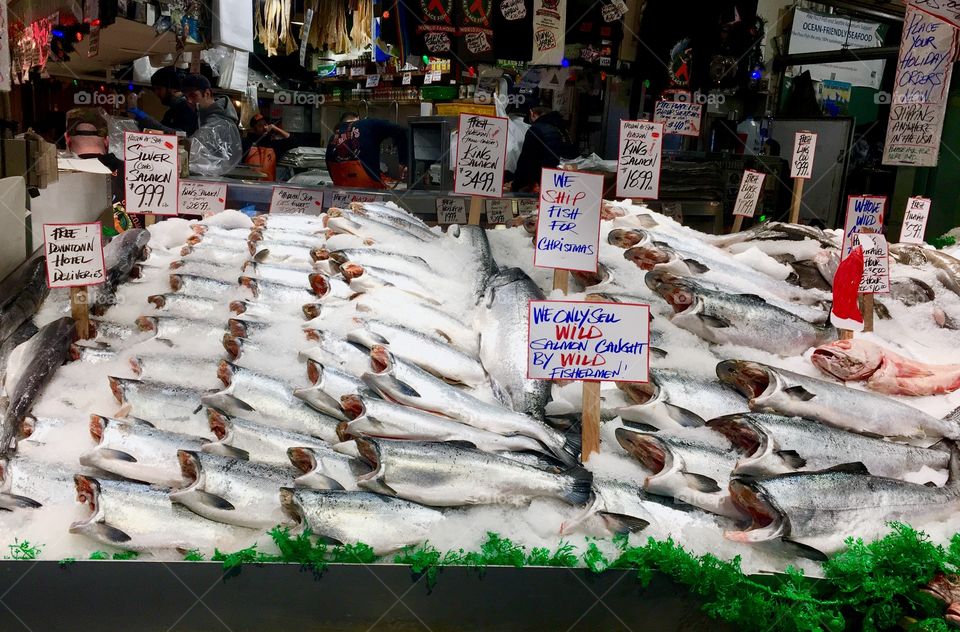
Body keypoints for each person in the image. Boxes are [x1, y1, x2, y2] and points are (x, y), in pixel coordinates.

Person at [181, 74, 243, 177]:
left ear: (207, 93)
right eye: (186, 97)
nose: (189, 101)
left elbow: (195, 146)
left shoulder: (219, 122)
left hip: (215, 183)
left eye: (193, 95)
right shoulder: (202, 115)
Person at [325, 113, 408, 189]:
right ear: (358, 119)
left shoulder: (333, 137)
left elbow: (329, 167)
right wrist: (403, 162)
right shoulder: (368, 124)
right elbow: (399, 130)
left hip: (341, 194)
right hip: (368, 193)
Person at [509, 106, 579, 192]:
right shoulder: (563, 129)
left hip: (545, 185)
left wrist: (516, 185)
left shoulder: (535, 130)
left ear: (532, 113)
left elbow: (526, 162)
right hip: (567, 184)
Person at [127, 66, 199, 135]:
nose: (156, 93)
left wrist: (141, 115)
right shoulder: (171, 112)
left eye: (159, 88)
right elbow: (157, 132)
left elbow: (180, 134)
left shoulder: (187, 108)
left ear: (171, 88)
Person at [243, 113, 295, 180]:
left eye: (265, 124)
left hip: (269, 186)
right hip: (248, 185)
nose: (264, 127)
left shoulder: (273, 145)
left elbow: (293, 141)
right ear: (253, 129)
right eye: (260, 125)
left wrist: (275, 128)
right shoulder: (246, 143)